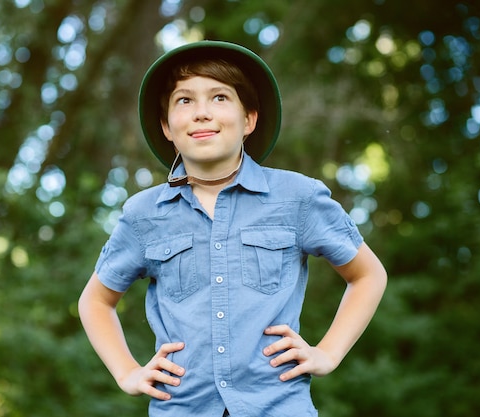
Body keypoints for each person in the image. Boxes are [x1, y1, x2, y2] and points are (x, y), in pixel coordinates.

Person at [78, 40, 387, 417]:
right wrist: (128, 372)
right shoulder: (143, 215)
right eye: (184, 100)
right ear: (167, 127)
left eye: (220, 98)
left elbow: (368, 275)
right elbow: (95, 301)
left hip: (278, 407)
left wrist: (328, 352)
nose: (202, 113)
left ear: (249, 120)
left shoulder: (298, 198)